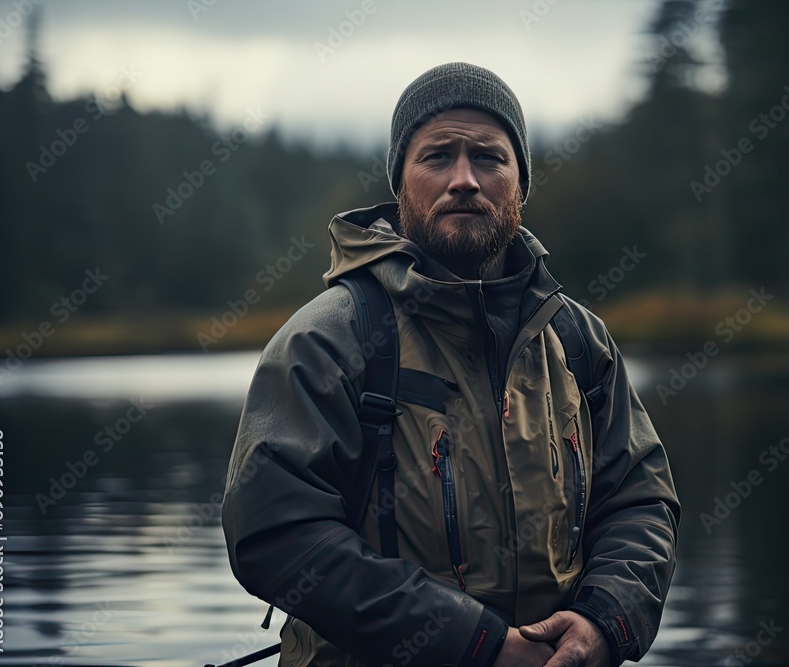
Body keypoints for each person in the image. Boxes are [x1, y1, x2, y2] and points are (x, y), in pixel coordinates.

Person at [222, 62, 680, 667]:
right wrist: (476, 645)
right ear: (400, 183)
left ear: (519, 184)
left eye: (489, 158)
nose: (464, 180)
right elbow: (274, 537)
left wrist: (604, 621)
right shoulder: (326, 341)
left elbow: (640, 500)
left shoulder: (578, 341)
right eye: (437, 157)